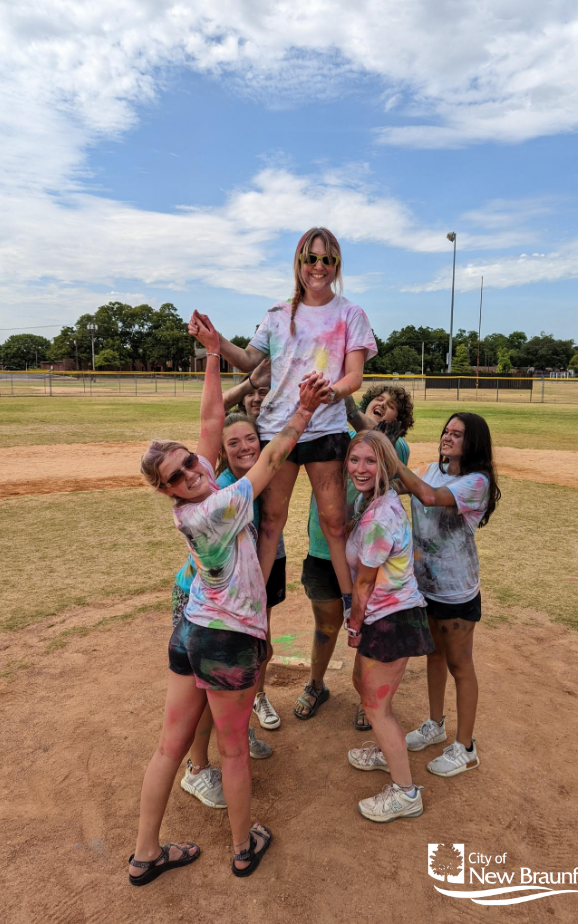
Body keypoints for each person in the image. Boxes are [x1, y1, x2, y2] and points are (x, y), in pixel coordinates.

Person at [126, 311, 324, 884]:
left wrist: (214, 354)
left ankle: (145, 854)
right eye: (179, 474)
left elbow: (212, 418)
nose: (193, 469)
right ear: (167, 492)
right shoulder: (218, 505)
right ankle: (243, 847)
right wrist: (304, 411)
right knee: (234, 751)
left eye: (190, 460)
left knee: (170, 746)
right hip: (226, 638)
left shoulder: (196, 494)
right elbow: (268, 460)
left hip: (191, 630)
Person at [211, 228, 377, 629]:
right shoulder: (277, 314)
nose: (318, 267)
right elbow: (250, 359)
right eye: (310, 258)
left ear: (336, 266)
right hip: (278, 428)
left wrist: (330, 392)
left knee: (334, 522)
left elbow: (354, 376)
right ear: (299, 263)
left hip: (325, 428)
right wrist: (215, 339)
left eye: (327, 260)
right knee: (270, 521)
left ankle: (351, 604)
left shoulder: (350, 314)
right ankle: (255, 604)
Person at [177, 409, 280, 812]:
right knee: (204, 692)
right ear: (221, 450)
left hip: (240, 600)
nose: (244, 447)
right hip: (203, 603)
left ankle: (236, 728)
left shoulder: (259, 484)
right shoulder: (222, 488)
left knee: (239, 675)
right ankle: (198, 768)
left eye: (250, 438)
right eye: (232, 442)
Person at [294, 384, 416, 726]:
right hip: (322, 548)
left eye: (391, 405)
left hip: (365, 557)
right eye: (378, 399)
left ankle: (369, 695)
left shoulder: (396, 447)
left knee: (367, 622)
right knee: (326, 623)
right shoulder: (342, 436)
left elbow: (375, 439)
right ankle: (316, 684)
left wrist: (349, 406)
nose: (382, 404)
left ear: (399, 420)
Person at [396, 413, 500, 777]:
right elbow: (400, 485)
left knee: (460, 664)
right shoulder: (429, 468)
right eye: (446, 431)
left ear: (472, 444)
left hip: (456, 591)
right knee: (434, 657)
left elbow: (427, 495)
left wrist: (393, 460)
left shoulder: (476, 482)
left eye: (457, 434)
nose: (447, 437)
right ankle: (435, 724)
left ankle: (466, 747)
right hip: (424, 585)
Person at [338, 430, 435, 822]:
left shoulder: (379, 516)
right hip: (386, 614)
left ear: (386, 465)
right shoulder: (372, 500)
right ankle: (385, 748)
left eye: (370, 461)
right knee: (364, 687)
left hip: (390, 618)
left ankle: (405, 793)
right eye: (354, 459)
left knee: (377, 707)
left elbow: (363, 582)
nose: (360, 468)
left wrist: (355, 626)